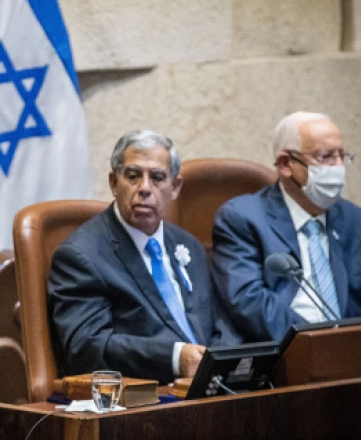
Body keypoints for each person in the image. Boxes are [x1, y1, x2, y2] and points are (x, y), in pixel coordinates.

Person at [48, 131, 232, 384]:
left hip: (208, 390)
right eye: (133, 176)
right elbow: (88, 348)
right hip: (147, 399)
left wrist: (223, 362)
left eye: (157, 178)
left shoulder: (188, 245)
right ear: (114, 183)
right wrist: (175, 357)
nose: (145, 188)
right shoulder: (81, 256)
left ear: (175, 188)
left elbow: (218, 322)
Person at [211, 112, 361, 342]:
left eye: (341, 156)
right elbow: (249, 303)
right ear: (285, 164)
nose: (338, 167)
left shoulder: (358, 222)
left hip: (354, 358)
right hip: (282, 358)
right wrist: (322, 343)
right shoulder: (242, 218)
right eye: (326, 157)